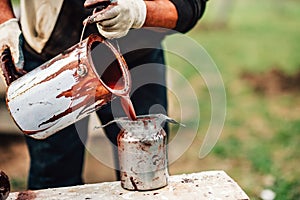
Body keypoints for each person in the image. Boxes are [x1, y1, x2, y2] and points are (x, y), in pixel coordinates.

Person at [0, 0, 207, 190]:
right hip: (50, 56)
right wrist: (4, 22)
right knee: (53, 178)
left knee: (146, 172)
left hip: (135, 58)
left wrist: (138, 12)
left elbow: (190, 4)